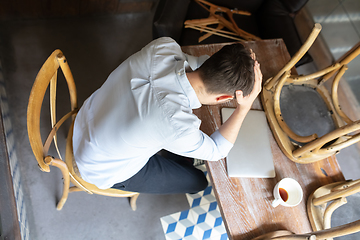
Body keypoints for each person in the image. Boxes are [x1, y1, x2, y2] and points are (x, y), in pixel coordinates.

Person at [72, 37, 262, 194]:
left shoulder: (164, 47)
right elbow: (216, 152)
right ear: (223, 98)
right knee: (197, 182)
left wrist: (235, 62)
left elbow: (197, 63)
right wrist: (243, 108)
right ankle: (179, 156)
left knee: (175, 143)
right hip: (100, 167)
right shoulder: (177, 125)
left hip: (87, 117)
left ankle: (176, 152)